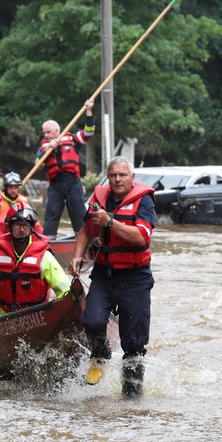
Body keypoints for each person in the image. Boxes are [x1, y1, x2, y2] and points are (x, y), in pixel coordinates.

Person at [71, 156, 156, 400]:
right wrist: (77, 257)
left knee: (134, 342)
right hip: (104, 275)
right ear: (107, 178)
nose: (117, 179)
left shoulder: (144, 201)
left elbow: (141, 237)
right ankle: (100, 354)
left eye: (122, 175)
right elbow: (85, 231)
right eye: (113, 175)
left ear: (132, 178)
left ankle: (131, 395)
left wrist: (110, 223)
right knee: (93, 321)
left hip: (135, 278)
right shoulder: (98, 200)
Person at [0, 207, 71, 327]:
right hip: (1, 318)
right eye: (17, 225)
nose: (22, 229)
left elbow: (65, 289)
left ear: (32, 228)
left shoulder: (45, 257)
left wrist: (68, 312)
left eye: (26, 225)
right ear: (9, 227)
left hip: (37, 319)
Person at [37, 100, 95, 237]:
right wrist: (50, 147)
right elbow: (38, 164)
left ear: (57, 131)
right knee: (51, 216)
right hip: (55, 184)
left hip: (73, 183)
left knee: (79, 215)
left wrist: (88, 112)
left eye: (48, 132)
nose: (45, 135)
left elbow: (89, 133)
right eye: (44, 133)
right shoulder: (44, 147)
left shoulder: (72, 139)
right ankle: (48, 244)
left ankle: (83, 242)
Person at [0, 171, 41, 260]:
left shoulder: (23, 202)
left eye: (16, 187)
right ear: (6, 187)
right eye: (11, 187)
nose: (13, 190)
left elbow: (32, 224)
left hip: (17, 239)